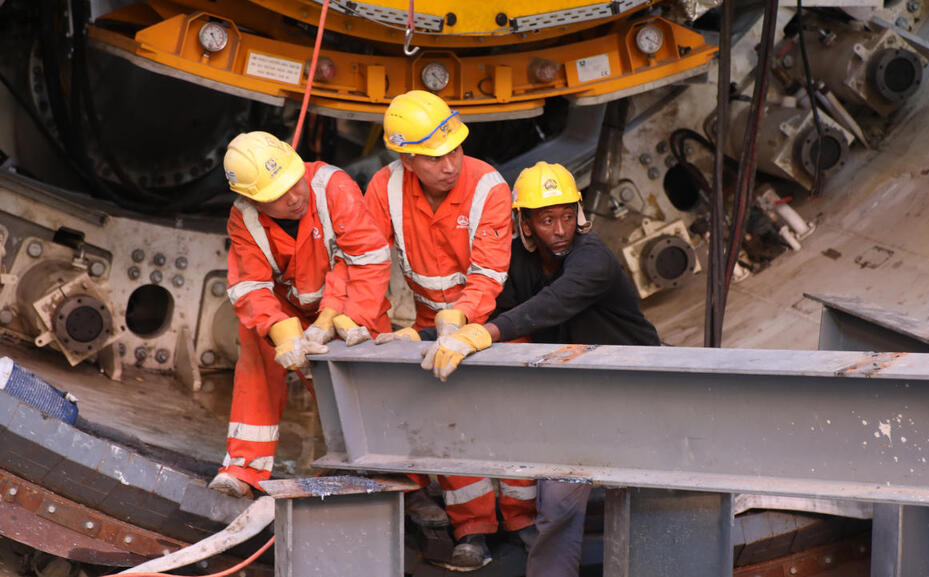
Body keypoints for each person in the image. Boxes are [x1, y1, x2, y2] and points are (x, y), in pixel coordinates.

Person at [424, 161, 661, 577]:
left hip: (635, 386)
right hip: (575, 396)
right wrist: (423, 336)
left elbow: (548, 305)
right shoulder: (521, 262)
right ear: (525, 223)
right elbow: (494, 309)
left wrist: (487, 334)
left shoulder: (594, 260)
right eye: (547, 219)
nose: (560, 229)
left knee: (654, 492)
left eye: (568, 216)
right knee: (557, 502)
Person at [364, 90, 535, 571]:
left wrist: (458, 321)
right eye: (437, 157)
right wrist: (369, 327)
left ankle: (523, 521)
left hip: (496, 325)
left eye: (456, 148)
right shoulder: (385, 188)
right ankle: (473, 529)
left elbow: (488, 275)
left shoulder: (488, 188)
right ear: (407, 159)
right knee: (449, 424)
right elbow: (366, 262)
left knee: (512, 423)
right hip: (427, 324)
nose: (451, 163)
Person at [208, 131, 392, 499]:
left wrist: (344, 319)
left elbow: (367, 260)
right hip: (287, 309)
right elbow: (250, 287)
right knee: (257, 361)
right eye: (278, 195)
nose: (295, 197)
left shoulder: (331, 186)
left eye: (294, 183)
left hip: (351, 304)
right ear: (252, 199)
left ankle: (388, 470)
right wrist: (283, 334)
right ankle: (244, 470)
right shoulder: (244, 219)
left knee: (373, 378)